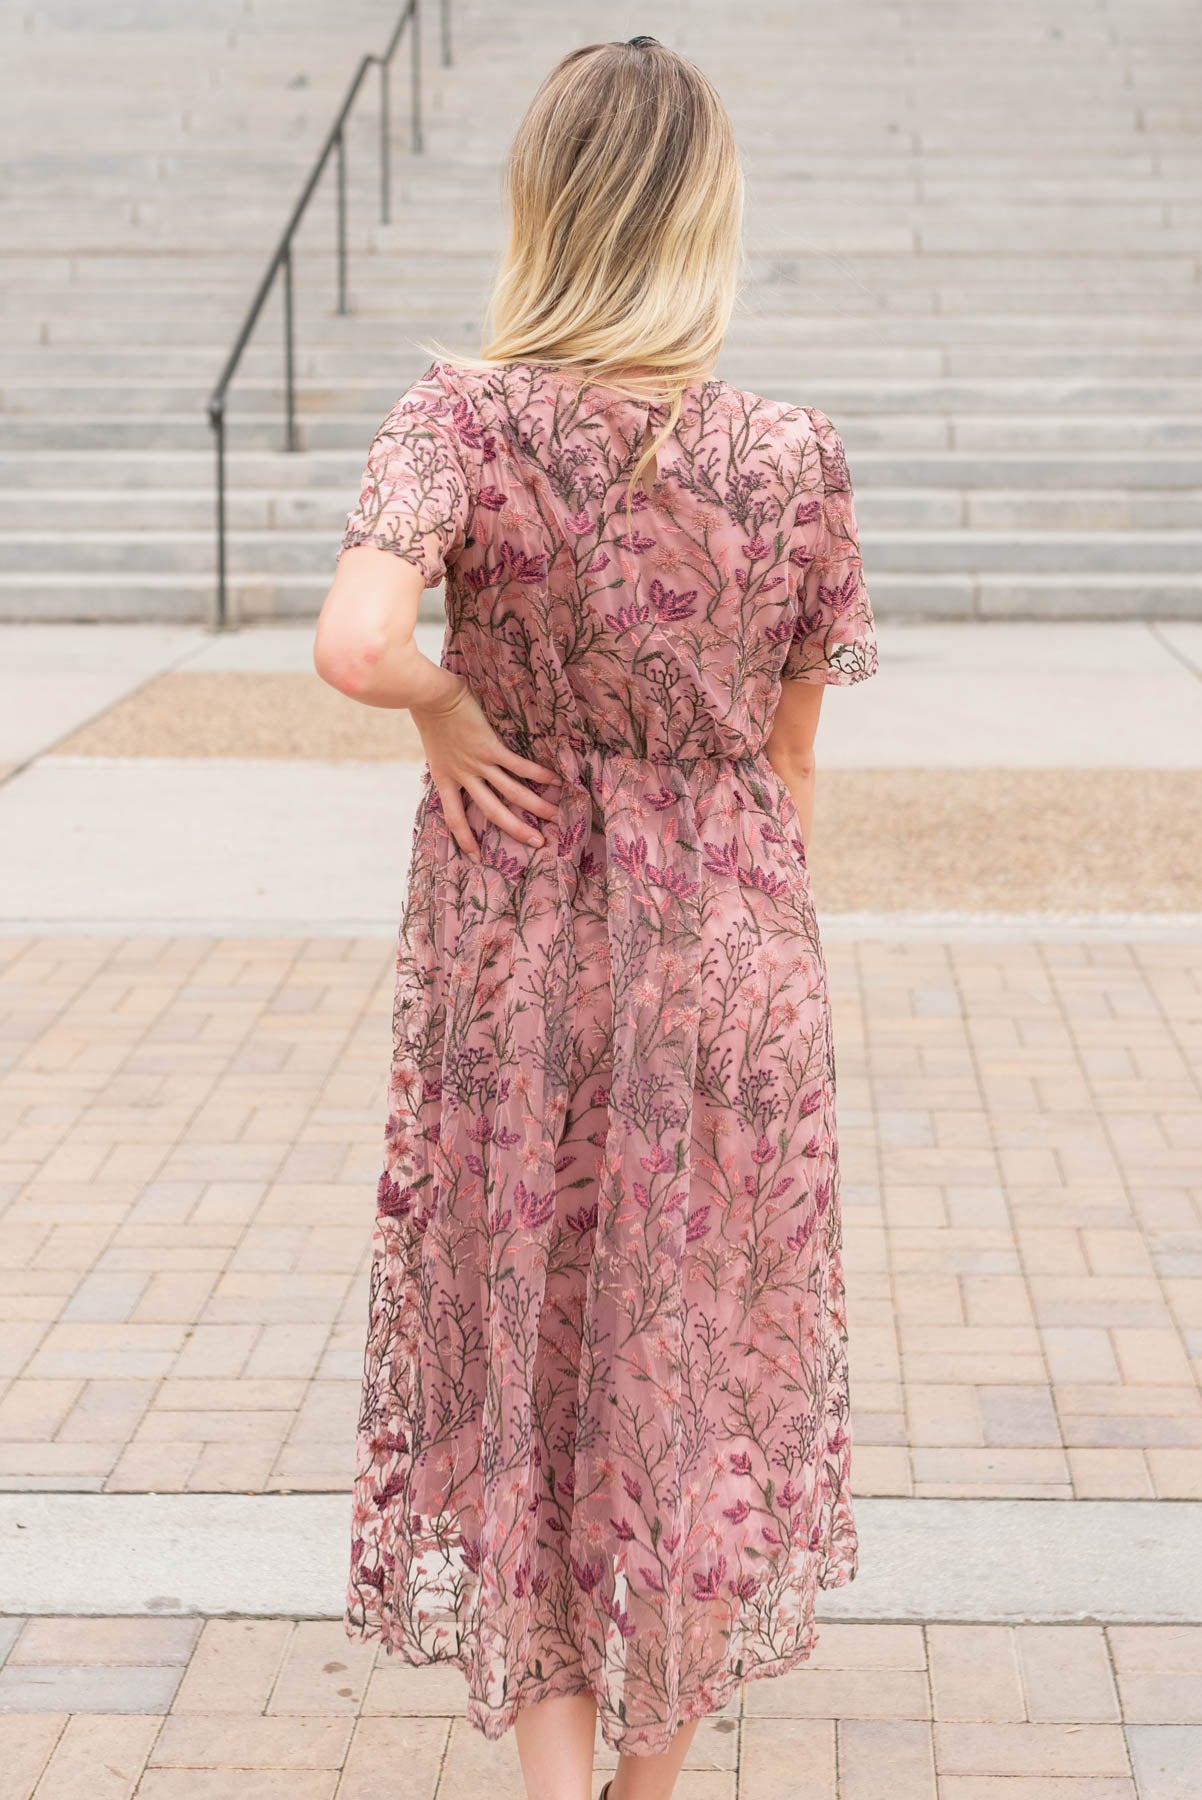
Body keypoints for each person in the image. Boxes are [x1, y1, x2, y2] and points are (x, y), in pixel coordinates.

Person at [313, 32, 878, 1800]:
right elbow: (790, 768)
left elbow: (352, 639)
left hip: (522, 950)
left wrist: (440, 704)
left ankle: (560, 1789)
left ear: (543, 207)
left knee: (530, 1361)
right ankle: (649, 1785)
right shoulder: (791, 454)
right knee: (702, 1367)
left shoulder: (459, 418)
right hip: (728, 959)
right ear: (703, 217)